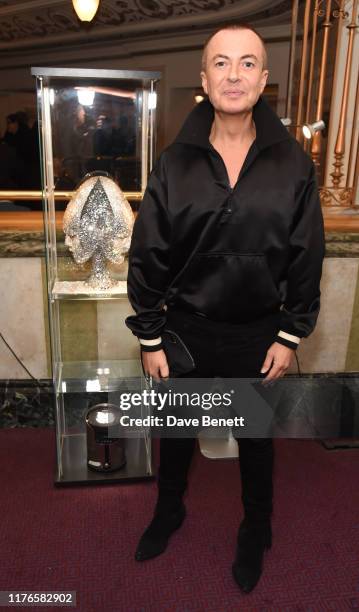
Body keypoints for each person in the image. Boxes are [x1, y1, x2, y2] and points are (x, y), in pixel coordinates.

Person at [125, 22, 325, 593]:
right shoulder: (175, 161)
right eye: (220, 63)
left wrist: (290, 335)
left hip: (258, 333)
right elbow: (149, 252)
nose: (232, 75)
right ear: (204, 79)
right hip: (185, 328)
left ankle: (256, 524)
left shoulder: (294, 165)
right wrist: (149, 335)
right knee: (180, 429)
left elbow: (307, 255)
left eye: (246, 63)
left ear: (263, 79)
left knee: (255, 438)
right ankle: (169, 511)